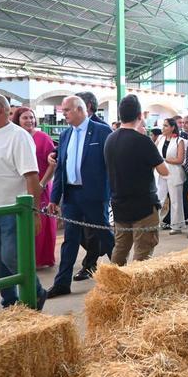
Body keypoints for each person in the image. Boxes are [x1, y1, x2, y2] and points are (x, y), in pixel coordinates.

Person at [0, 94, 47, 310]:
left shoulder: (18, 137)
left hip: (11, 210)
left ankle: (36, 292)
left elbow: (31, 176)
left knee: (12, 258)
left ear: (2, 110)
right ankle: (10, 302)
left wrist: (34, 212)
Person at [46, 96, 114, 298]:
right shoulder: (66, 135)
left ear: (79, 109)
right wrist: (54, 197)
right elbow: (61, 169)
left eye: (66, 110)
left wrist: (111, 193)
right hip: (71, 195)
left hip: (94, 194)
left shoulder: (102, 131)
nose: (63, 113)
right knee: (70, 240)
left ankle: (123, 272)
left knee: (104, 235)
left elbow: (111, 165)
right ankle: (62, 283)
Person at [105, 95, 169, 265]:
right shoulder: (143, 142)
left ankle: (113, 285)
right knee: (143, 254)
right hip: (143, 206)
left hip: (119, 203)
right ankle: (136, 290)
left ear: (120, 115)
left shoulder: (110, 139)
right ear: (140, 116)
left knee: (120, 248)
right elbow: (164, 171)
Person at [11, 107, 58, 269]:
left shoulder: (43, 138)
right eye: (25, 118)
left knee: (41, 223)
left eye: (31, 117)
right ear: (18, 120)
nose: (29, 120)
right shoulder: (15, 137)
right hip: (19, 188)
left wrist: (42, 184)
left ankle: (39, 259)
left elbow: (53, 164)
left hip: (41, 186)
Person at [74, 92, 110, 281]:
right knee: (81, 231)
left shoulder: (102, 128)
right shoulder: (73, 128)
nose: (66, 112)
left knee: (94, 230)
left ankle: (90, 264)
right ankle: (101, 251)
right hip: (75, 190)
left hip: (95, 190)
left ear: (86, 106)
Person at [154, 117, 186, 234]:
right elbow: (154, 153)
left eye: (166, 126)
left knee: (175, 200)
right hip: (160, 171)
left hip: (174, 172)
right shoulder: (160, 139)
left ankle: (177, 226)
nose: (163, 128)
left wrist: (165, 160)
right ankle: (154, 223)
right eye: (163, 125)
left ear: (172, 128)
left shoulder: (179, 140)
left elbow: (180, 159)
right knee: (158, 198)